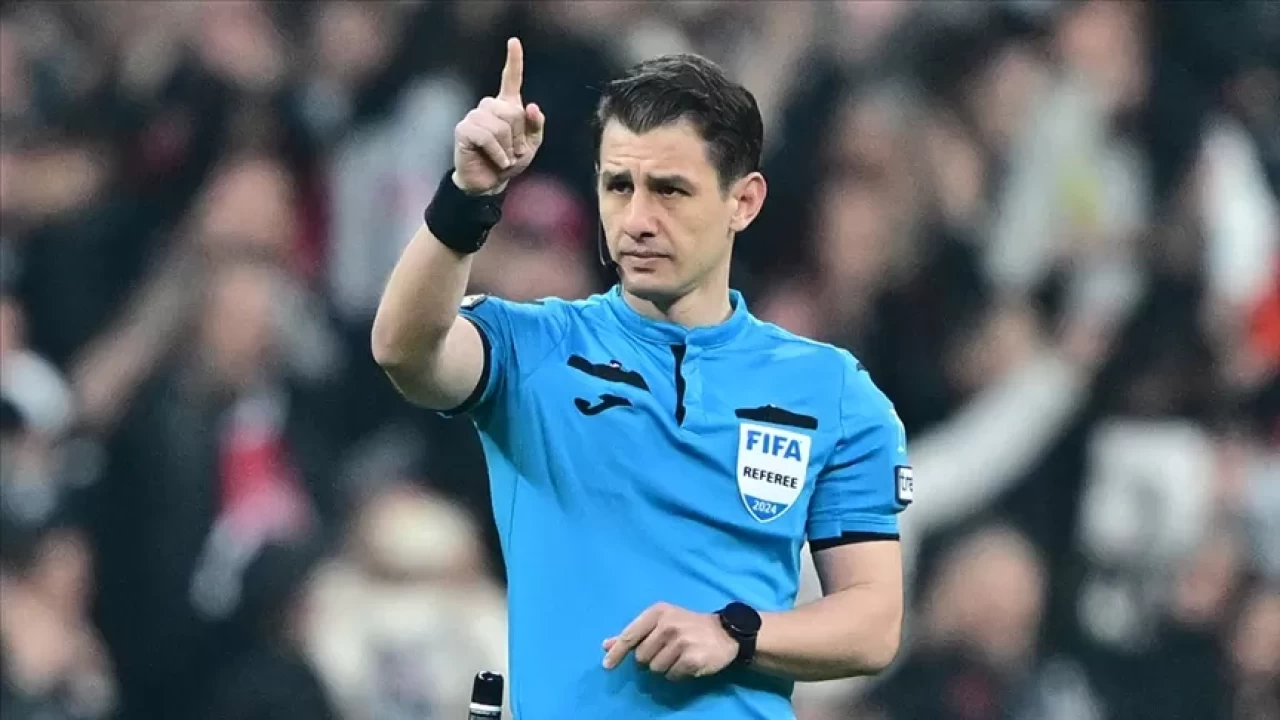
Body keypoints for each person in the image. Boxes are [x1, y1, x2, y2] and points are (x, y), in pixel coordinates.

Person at [372, 38, 910, 719]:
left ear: (743, 202)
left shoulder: (833, 391)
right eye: (618, 186)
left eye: (670, 190)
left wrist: (735, 634)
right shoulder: (534, 348)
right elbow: (404, 351)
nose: (637, 221)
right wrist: (467, 195)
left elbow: (872, 624)